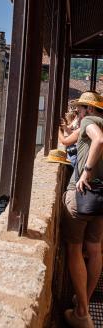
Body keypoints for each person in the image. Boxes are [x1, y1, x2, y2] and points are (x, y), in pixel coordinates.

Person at [63, 92, 103, 327]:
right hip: (101, 198)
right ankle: (83, 304)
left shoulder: (89, 121)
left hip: (82, 196)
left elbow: (98, 140)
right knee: (96, 251)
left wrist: (87, 171)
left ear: (88, 109)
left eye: (79, 109)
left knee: (75, 250)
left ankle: (82, 314)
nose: (77, 113)